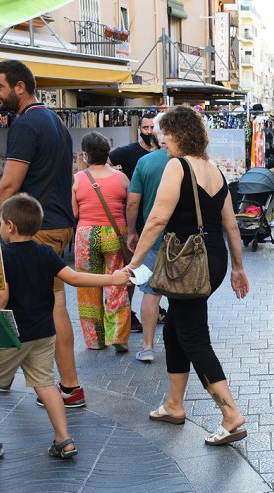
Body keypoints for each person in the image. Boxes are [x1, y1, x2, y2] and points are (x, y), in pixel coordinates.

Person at [125, 105, 249, 446]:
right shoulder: (214, 170)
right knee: (177, 330)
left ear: (178, 134)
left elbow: (156, 219)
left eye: (164, 132)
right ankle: (174, 404)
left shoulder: (176, 166)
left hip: (187, 263)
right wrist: (238, 268)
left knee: (193, 336)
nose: (161, 138)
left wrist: (133, 263)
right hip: (214, 261)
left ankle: (231, 415)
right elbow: (230, 226)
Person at [0, 194, 129, 461]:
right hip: (45, 332)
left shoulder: (4, 259)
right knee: (46, 385)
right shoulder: (46, 252)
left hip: (15, 334)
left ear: (9, 225)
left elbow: (1, 299)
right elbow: (75, 278)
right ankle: (64, 440)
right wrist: (112, 278)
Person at [0, 60, 85, 408]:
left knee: (52, 306)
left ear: (19, 86)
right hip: (57, 223)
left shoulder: (27, 124)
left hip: (35, 228)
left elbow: (11, 182)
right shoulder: (55, 121)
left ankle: (70, 387)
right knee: (20, 298)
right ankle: (6, 372)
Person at [71, 132, 131, 351]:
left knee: (87, 286)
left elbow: (74, 212)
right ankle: (118, 337)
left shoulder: (78, 179)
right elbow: (129, 206)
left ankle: (95, 340)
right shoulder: (121, 178)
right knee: (116, 283)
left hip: (86, 235)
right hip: (114, 233)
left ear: (86, 155)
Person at [109, 111, 159, 334]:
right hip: (137, 220)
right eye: (145, 128)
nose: (149, 132)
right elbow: (106, 161)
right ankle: (128, 313)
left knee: (151, 268)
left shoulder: (161, 154)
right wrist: (119, 183)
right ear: (139, 128)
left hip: (156, 219)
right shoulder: (129, 152)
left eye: (152, 128)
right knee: (134, 268)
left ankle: (153, 306)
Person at [127, 113, 169, 362]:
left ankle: (148, 347)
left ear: (157, 133)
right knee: (183, 294)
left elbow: (133, 201)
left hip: (152, 238)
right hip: (184, 240)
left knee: (151, 292)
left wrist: (132, 231)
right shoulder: (192, 161)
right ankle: (184, 344)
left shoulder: (146, 162)